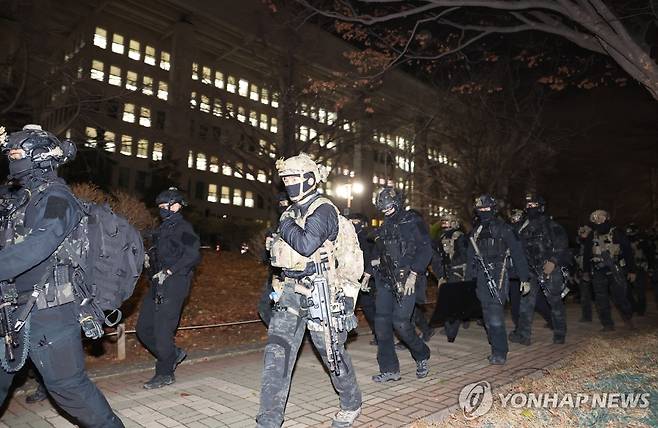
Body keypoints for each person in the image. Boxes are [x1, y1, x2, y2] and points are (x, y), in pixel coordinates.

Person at [0, 124, 124, 426]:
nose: (12, 158)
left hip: (50, 311)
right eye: (10, 152)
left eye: (17, 153)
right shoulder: (22, 197)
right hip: (13, 306)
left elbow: (38, 245)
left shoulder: (57, 198)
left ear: (40, 157)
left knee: (68, 388)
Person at [256, 153, 362, 428]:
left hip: (321, 290)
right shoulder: (290, 212)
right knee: (277, 353)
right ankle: (268, 420)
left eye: (293, 178)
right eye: (285, 179)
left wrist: (284, 224)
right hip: (290, 289)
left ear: (310, 179)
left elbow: (306, 244)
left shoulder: (323, 210)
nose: (289, 184)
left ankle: (351, 402)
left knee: (331, 353)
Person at [136, 187, 200, 389]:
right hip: (156, 283)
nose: (163, 210)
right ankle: (172, 354)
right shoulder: (162, 229)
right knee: (143, 329)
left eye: (167, 206)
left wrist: (171, 271)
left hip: (174, 283)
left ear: (178, 205)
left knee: (163, 330)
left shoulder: (185, 229)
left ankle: (165, 373)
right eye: (161, 207)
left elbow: (193, 254)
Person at [371, 187, 432, 382]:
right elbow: (378, 251)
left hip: (407, 278)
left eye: (388, 206)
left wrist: (414, 273)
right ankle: (390, 369)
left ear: (397, 202)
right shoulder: (384, 225)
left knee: (401, 323)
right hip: (385, 280)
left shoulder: (412, 220)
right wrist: (369, 269)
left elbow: (426, 250)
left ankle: (421, 354)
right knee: (381, 324)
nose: (385, 210)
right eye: (382, 207)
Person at [465, 195, 530, 365]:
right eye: (481, 209)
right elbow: (470, 257)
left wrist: (524, 278)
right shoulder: (476, 231)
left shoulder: (505, 229)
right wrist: (467, 282)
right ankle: (496, 346)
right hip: (481, 277)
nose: (483, 212)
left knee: (494, 314)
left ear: (493, 209)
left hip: (499, 275)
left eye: (487, 208)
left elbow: (517, 253)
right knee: (486, 315)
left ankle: (500, 352)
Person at [512, 194, 569, 345]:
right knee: (526, 303)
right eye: (528, 206)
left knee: (555, 302)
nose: (531, 208)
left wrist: (553, 261)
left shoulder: (551, 225)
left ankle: (559, 334)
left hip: (548, 268)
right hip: (530, 269)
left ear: (541, 207)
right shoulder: (522, 226)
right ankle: (523, 335)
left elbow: (562, 244)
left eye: (534, 205)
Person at [583, 210, 635, 331]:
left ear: (607, 218)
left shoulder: (616, 232)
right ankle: (607, 324)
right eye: (595, 218)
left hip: (615, 269)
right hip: (598, 271)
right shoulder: (592, 235)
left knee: (620, 297)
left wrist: (632, 270)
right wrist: (585, 271)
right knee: (601, 299)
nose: (598, 219)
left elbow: (627, 251)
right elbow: (587, 254)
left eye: (601, 217)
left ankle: (628, 317)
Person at [431, 213, 470, 342]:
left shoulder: (460, 237)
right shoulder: (441, 236)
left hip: (456, 273)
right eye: (443, 221)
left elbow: (465, 256)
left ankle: (451, 331)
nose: (444, 223)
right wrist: (440, 275)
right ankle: (453, 326)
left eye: (447, 221)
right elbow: (437, 257)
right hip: (446, 273)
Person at [257, 192, 290, 327]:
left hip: (292, 276)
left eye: (285, 203)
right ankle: (279, 333)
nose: (282, 206)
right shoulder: (274, 228)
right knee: (264, 307)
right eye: (280, 203)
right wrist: (268, 247)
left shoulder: (299, 226)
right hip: (275, 276)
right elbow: (266, 258)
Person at [349, 213, 377, 344]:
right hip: (355, 277)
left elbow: (372, 256)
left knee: (370, 306)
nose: (351, 224)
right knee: (364, 306)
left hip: (369, 277)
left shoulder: (367, 236)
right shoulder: (350, 237)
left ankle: (379, 334)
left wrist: (368, 273)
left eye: (354, 222)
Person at [625, 223, 649, 316]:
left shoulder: (642, 240)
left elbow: (648, 253)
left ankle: (641, 309)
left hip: (640, 268)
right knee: (627, 289)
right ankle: (634, 307)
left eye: (631, 230)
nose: (629, 233)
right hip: (630, 268)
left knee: (640, 290)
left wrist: (650, 266)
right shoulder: (626, 240)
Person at [575, 225, 594, 322]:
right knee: (584, 296)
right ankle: (586, 316)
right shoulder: (581, 246)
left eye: (584, 232)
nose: (582, 234)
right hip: (584, 272)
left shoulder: (592, 244)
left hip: (594, 271)